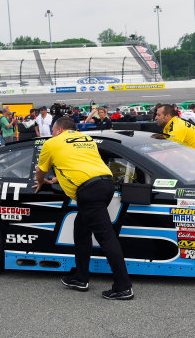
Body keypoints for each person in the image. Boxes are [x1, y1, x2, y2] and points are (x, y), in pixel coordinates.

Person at [34, 117, 133, 300]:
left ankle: (123, 286)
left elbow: (40, 171)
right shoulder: (87, 139)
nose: (53, 133)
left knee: (106, 237)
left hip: (90, 192)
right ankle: (80, 277)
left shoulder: (52, 142)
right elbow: (79, 163)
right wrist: (59, 178)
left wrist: (42, 182)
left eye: (54, 130)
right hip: (106, 183)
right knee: (81, 228)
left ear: (59, 130)